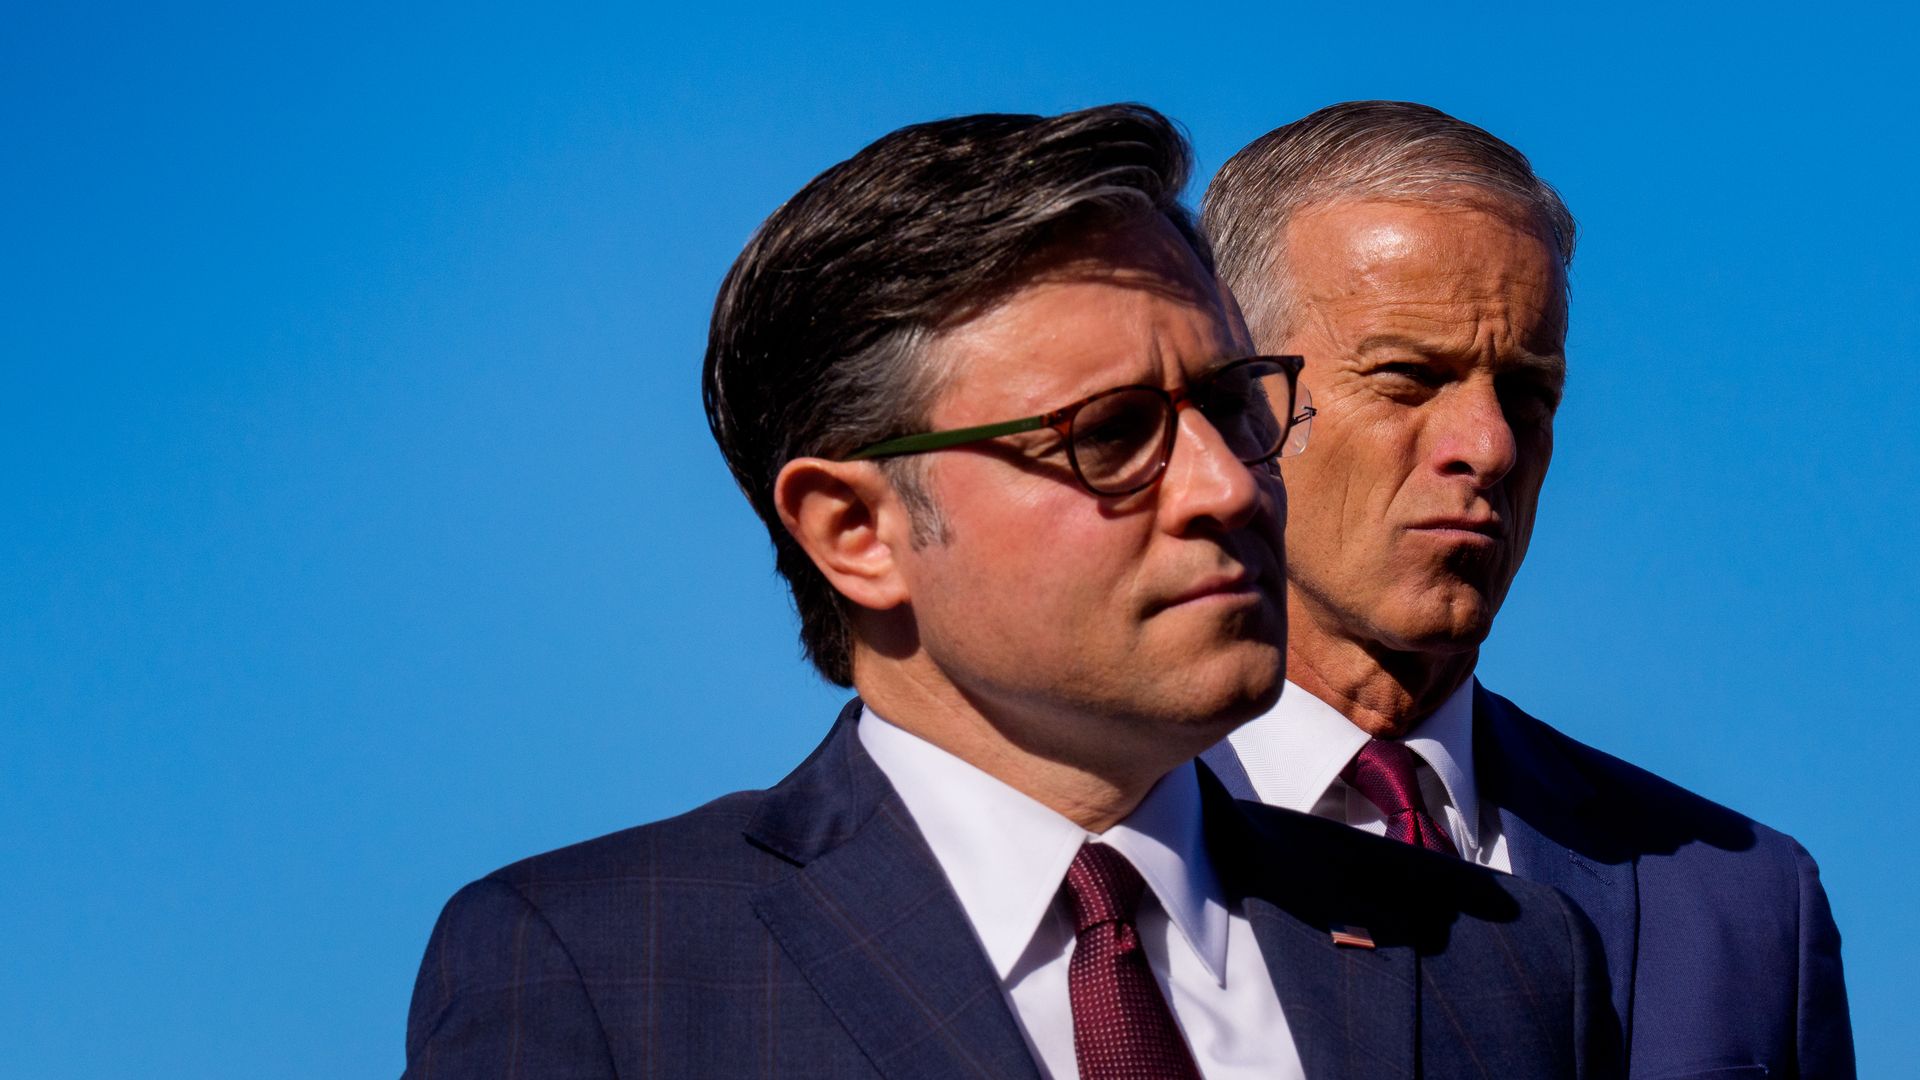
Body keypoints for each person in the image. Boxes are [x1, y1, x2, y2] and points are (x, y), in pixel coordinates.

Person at [402, 103, 1616, 1078]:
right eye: (1115, 433)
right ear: (856, 531)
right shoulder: (604, 970)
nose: (1231, 487)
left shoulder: (1499, 960)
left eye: (1232, 404)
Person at [1200, 100, 1854, 1078]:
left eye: (1527, 392)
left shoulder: (1741, 906)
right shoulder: (1078, 839)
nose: (1491, 446)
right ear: (1244, 402)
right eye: (1411, 378)